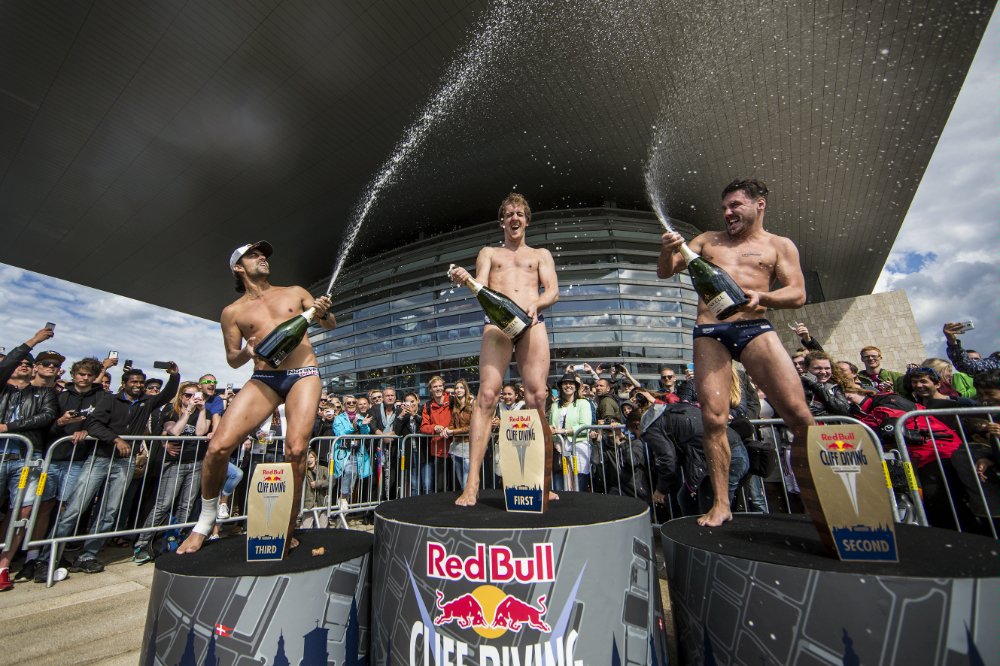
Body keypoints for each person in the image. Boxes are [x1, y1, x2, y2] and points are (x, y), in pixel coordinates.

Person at [657, 178, 815, 526]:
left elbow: (798, 294)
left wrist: (765, 298)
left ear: (760, 205)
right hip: (710, 330)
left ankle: (818, 501)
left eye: (735, 206)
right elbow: (665, 272)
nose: (728, 213)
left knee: (800, 418)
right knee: (713, 420)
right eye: (725, 207)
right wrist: (667, 248)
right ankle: (722, 505)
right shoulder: (706, 240)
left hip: (754, 326)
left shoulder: (778, 245)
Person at [177, 241, 334, 555]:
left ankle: (287, 525)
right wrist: (248, 350)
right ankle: (204, 524)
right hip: (263, 378)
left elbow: (329, 324)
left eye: (264, 254)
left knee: (297, 448)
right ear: (238, 267)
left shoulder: (295, 291)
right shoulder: (232, 312)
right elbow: (233, 359)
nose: (262, 257)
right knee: (218, 446)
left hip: (303, 373)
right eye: (253, 255)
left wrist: (323, 313)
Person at [448, 193, 559, 506]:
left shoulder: (540, 254)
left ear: (526, 220)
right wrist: (467, 280)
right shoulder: (489, 252)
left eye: (520, 214)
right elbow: (481, 285)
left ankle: (543, 480)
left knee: (537, 396)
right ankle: (472, 485)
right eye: (509, 213)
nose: (515, 218)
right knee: (486, 396)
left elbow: (553, 291)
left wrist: (537, 302)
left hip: (531, 322)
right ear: (502, 221)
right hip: (497, 324)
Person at [0, 326, 57, 591]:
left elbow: (45, 417)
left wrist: (8, 428)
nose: (23, 365)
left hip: (26, 457)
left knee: (21, 512)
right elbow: (11, 360)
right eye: (20, 363)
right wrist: (33, 341)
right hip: (1, 456)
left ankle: (3, 565)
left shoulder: (44, 393)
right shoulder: (3, 389)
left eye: (28, 364)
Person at [132, 382, 210, 563]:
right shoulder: (170, 411)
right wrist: (188, 411)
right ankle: (142, 543)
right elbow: (174, 431)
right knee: (163, 505)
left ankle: (179, 539)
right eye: (188, 395)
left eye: (195, 395)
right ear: (181, 396)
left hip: (195, 462)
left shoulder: (200, 412)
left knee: (186, 505)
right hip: (174, 464)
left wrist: (202, 409)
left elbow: (200, 433)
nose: (192, 399)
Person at [548, 372, 593, 491]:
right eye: (565, 383)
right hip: (558, 446)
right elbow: (552, 424)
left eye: (571, 383)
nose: (568, 386)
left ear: (576, 386)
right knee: (559, 482)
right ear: (561, 386)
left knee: (579, 480)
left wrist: (564, 431)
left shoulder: (583, 403)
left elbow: (585, 425)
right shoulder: (555, 405)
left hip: (578, 444)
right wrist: (553, 432)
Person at [444, 379, 474, 489]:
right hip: (456, 446)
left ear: (466, 390)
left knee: (467, 479)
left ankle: (470, 499)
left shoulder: (472, 404)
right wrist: (446, 429)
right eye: (456, 388)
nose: (458, 390)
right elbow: (452, 424)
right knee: (461, 481)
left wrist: (453, 431)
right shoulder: (455, 406)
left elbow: (472, 427)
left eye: (461, 387)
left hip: (468, 446)